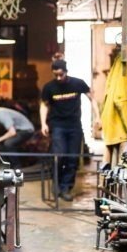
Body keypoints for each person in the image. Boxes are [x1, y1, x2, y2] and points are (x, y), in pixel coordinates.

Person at [39, 58, 101, 201]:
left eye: (61, 74)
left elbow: (92, 98)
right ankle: (56, 184)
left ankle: (66, 187)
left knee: (73, 158)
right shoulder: (49, 87)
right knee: (59, 156)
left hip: (74, 126)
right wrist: (43, 123)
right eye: (56, 75)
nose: (59, 78)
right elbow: (44, 105)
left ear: (66, 71)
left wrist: (98, 117)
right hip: (58, 125)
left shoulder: (77, 83)